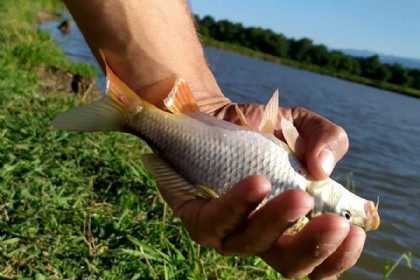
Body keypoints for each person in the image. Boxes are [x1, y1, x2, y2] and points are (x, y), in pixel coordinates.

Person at [63, 1, 365, 279]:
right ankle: (129, 111)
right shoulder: (306, 172)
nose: (355, 210)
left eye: (347, 213)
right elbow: (266, 126)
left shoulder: (300, 191)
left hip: (204, 153)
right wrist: (205, 105)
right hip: (203, 136)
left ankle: (127, 113)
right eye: (347, 214)